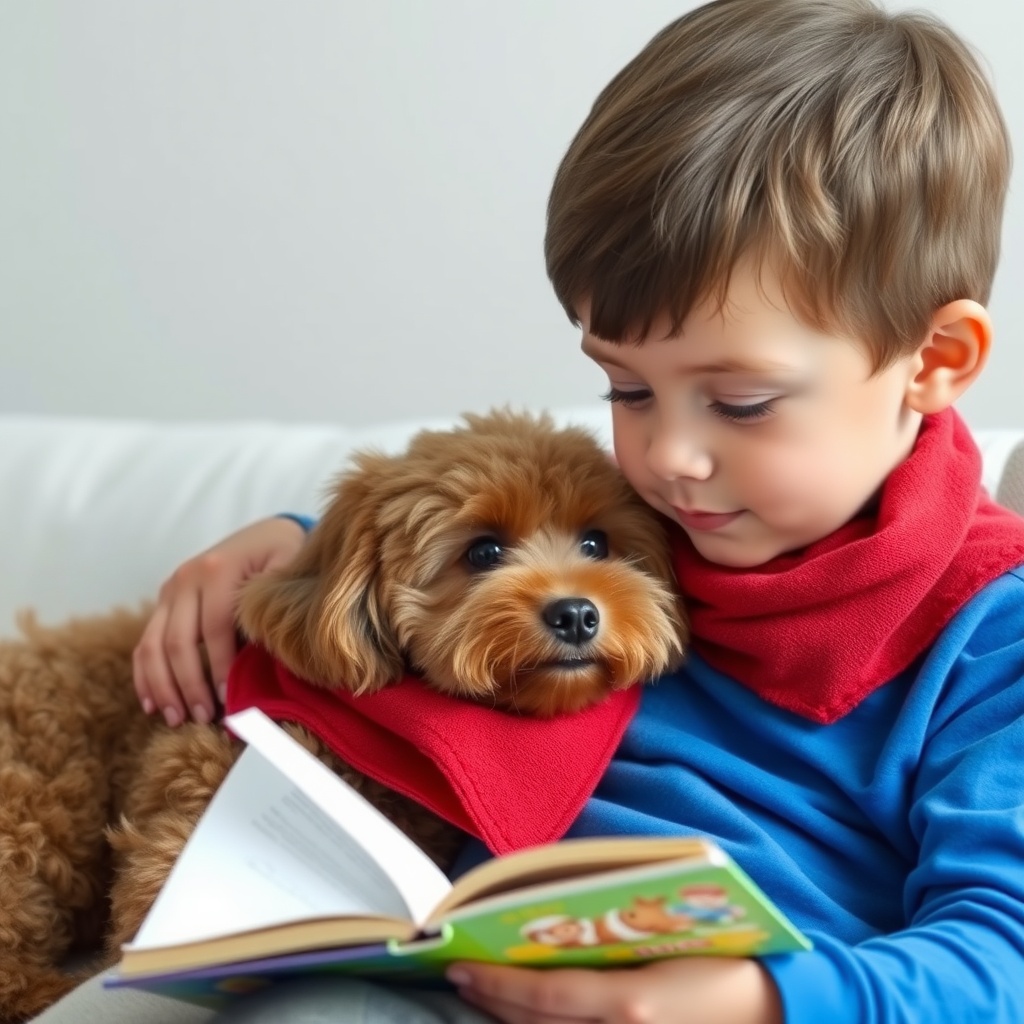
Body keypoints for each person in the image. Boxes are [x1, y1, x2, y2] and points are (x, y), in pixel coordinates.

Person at [33, 1, 1024, 1021]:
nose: (669, 458)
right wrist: (299, 541)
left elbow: (1004, 955)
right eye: (627, 390)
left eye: (739, 402)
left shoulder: (993, 632)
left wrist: (752, 1001)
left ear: (934, 361)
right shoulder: (671, 515)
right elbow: (485, 520)